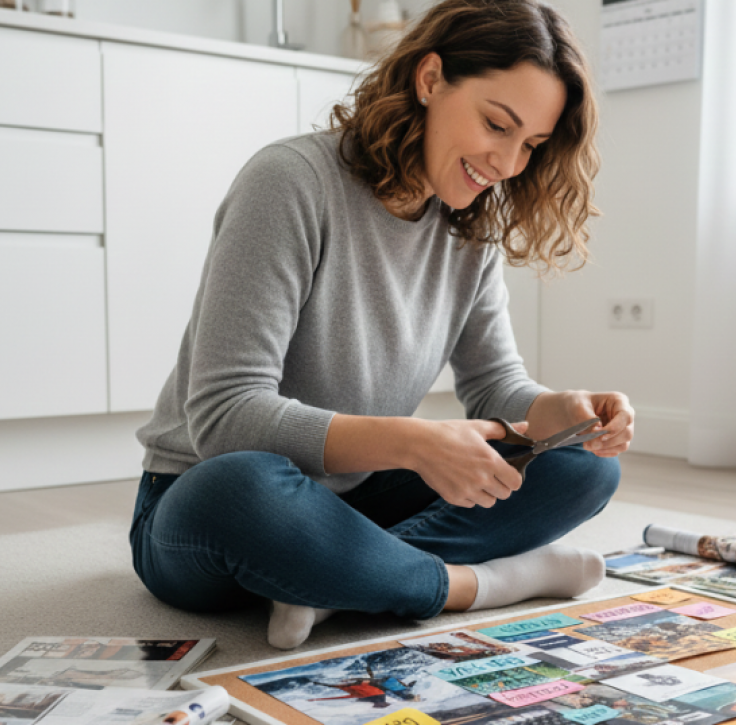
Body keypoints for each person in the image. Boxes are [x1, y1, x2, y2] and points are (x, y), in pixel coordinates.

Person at [128, 0, 634, 650]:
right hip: (204, 499)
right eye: (496, 124)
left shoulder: (469, 227)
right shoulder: (289, 182)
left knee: (585, 466)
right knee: (240, 487)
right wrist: (414, 442)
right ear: (429, 79)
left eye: (530, 145)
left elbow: (493, 382)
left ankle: (337, 579)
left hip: (351, 497)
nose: (508, 164)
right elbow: (225, 415)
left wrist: (554, 410)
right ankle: (470, 583)